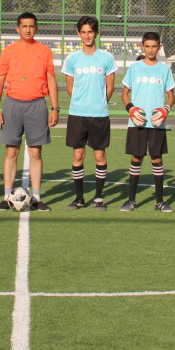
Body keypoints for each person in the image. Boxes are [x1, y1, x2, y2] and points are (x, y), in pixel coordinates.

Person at [0, 12, 59, 212]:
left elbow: (51, 80)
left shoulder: (44, 51)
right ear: (17, 28)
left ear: (36, 28)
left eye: (31, 26)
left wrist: (55, 108)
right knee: (11, 151)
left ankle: (36, 197)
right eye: (24, 26)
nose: (28, 30)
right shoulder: (9, 51)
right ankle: (6, 197)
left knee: (35, 152)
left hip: (37, 104)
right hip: (12, 104)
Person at [61, 15, 116, 210]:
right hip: (77, 114)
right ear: (78, 33)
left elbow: (110, 87)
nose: (87, 36)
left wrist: (98, 103)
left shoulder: (106, 58)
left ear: (97, 33)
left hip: (99, 115)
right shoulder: (72, 59)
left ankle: (98, 198)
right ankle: (79, 198)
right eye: (83, 32)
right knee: (78, 156)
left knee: (100, 156)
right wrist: (82, 102)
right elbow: (70, 88)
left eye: (90, 32)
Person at [121, 32, 175, 212]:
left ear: (159, 47)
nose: (151, 50)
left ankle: (159, 201)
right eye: (147, 46)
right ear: (142, 47)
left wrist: (165, 110)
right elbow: (124, 93)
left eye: (154, 47)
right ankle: (131, 200)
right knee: (136, 158)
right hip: (137, 122)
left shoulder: (164, 69)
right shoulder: (135, 68)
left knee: (156, 158)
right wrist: (130, 108)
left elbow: (171, 96)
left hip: (156, 122)